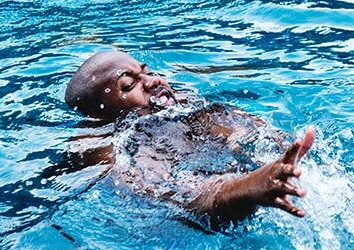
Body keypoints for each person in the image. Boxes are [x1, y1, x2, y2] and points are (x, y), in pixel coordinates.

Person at [64, 51, 314, 227]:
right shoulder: (102, 143)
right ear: (100, 114)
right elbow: (178, 198)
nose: (153, 81)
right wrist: (249, 188)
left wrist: (277, 147)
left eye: (147, 72)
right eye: (129, 85)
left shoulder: (183, 105)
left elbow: (250, 132)